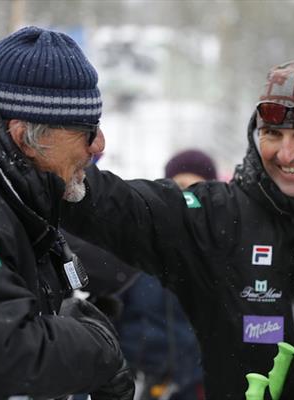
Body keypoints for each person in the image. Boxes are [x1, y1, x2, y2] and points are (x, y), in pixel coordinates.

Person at [60, 60, 294, 400]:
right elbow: (120, 206)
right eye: (272, 134)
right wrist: (50, 164)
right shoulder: (218, 218)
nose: (285, 153)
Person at [0, 26, 134, 400]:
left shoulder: (6, 194)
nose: (99, 145)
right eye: (87, 130)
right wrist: (97, 348)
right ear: (24, 137)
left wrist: (62, 317)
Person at [117, 149, 215, 400]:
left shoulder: (221, 255)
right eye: (179, 186)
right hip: (141, 386)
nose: (187, 196)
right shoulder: (136, 249)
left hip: (198, 387)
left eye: (197, 187)